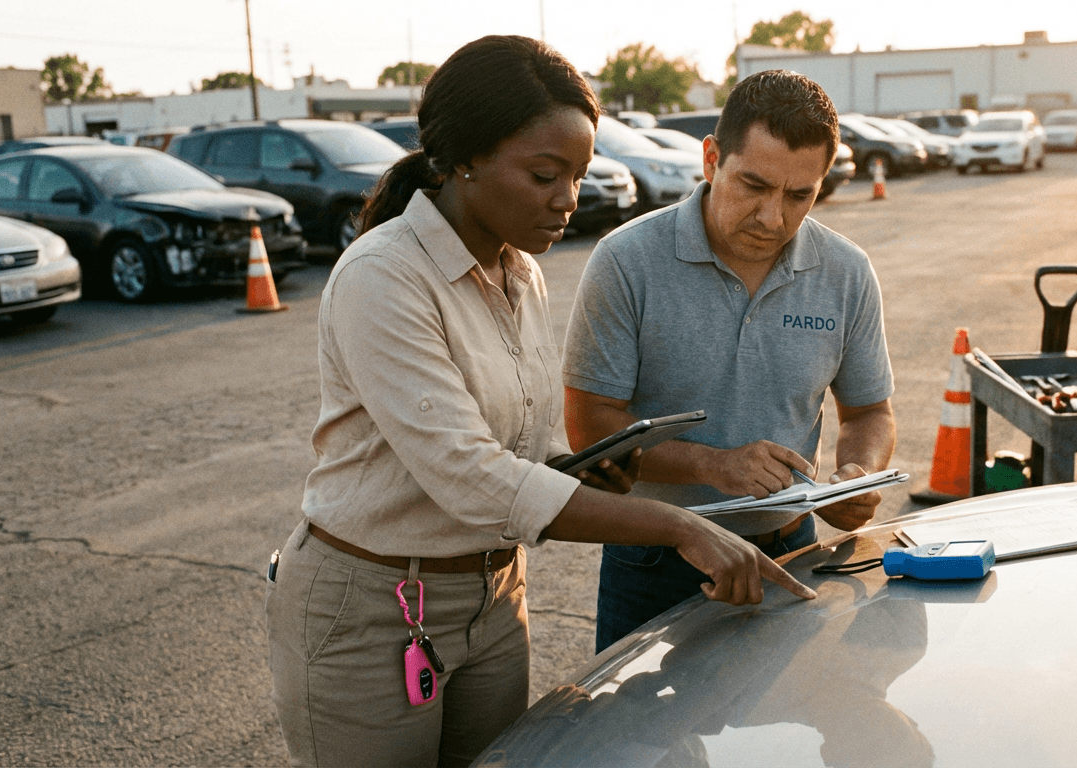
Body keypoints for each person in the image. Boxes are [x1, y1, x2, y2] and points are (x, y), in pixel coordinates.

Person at [263, 37, 814, 768]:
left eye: (580, 176)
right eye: (545, 175)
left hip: (491, 599)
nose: (568, 200)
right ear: (464, 158)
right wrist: (673, 524)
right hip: (367, 609)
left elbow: (508, 451)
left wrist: (574, 469)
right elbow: (466, 475)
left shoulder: (521, 272)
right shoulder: (383, 276)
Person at [563, 69, 897, 653]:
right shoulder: (626, 262)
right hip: (655, 559)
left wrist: (858, 474)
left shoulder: (846, 272)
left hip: (791, 547)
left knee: (777, 734)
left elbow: (870, 412)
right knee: (638, 739)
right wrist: (710, 465)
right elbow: (590, 424)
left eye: (799, 196)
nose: (773, 217)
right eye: (754, 185)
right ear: (711, 159)